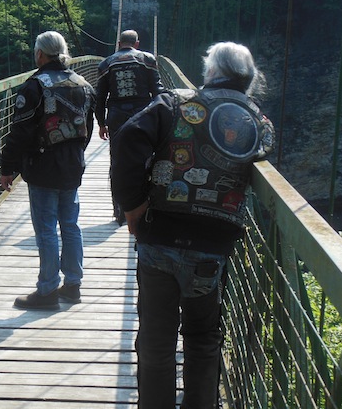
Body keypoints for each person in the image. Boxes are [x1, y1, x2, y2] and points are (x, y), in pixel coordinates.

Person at [111, 42, 275, 408]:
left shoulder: (174, 104)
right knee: (203, 338)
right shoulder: (258, 123)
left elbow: (127, 140)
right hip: (212, 248)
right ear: (249, 79)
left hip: (159, 236)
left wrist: (132, 206)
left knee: (156, 341)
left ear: (211, 72)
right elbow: (260, 149)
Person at [0, 31, 96, 310]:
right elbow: (87, 129)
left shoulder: (35, 86)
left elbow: (20, 132)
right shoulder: (83, 84)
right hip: (73, 165)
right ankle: (73, 285)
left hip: (42, 166)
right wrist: (74, 154)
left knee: (46, 229)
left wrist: (8, 167)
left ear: (40, 54)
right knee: (70, 225)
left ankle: (47, 291)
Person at [95, 29, 164, 224]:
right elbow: (157, 92)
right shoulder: (147, 60)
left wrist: (101, 123)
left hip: (116, 117)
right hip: (143, 116)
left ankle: (119, 211)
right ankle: (144, 208)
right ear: (137, 44)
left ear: (119, 44)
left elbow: (100, 98)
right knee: (146, 160)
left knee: (117, 162)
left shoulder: (106, 64)